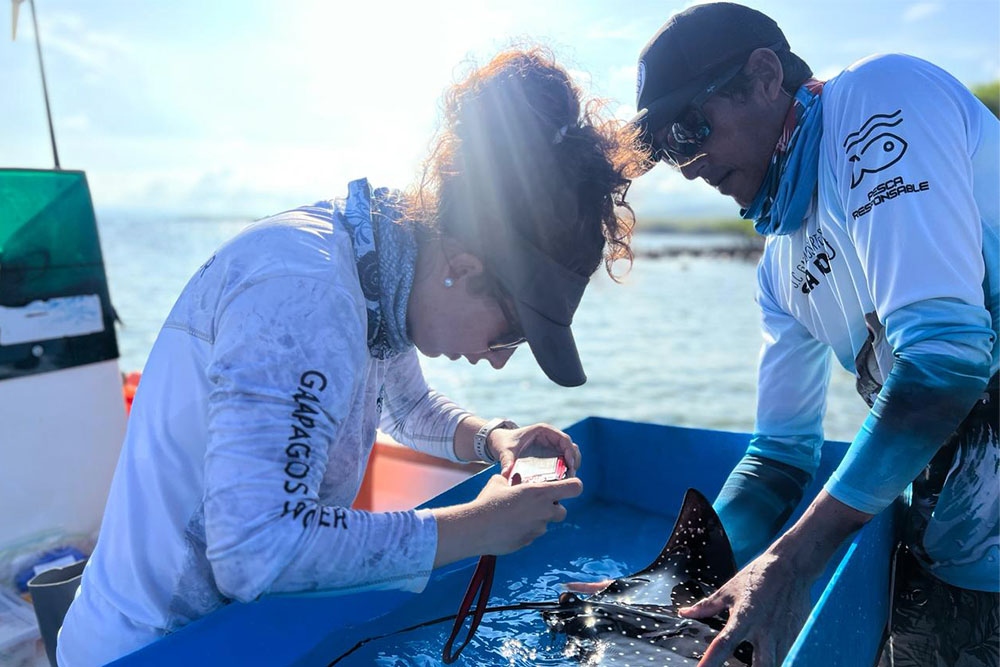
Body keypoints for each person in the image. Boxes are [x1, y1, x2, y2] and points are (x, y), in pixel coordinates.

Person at [57, 48, 643, 665]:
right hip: (150, 643)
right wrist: (476, 526)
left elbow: (406, 404)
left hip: (234, 630)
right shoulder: (302, 292)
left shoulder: (376, 273)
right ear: (463, 268)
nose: (498, 361)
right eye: (511, 336)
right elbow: (255, 550)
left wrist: (492, 439)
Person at [628, 3, 998, 666]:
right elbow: (778, 457)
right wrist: (664, 589)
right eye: (665, 150)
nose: (686, 165)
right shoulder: (778, 267)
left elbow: (945, 361)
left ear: (767, 75)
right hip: (948, 550)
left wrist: (789, 563)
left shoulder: (882, 99)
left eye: (688, 129)